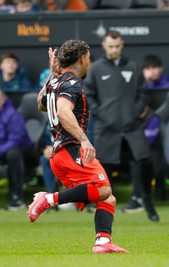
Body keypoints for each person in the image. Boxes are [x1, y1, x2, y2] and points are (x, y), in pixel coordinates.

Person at [28, 41, 128, 253]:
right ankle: (48, 198)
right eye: (89, 59)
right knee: (104, 189)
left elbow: (40, 104)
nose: (89, 64)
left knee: (107, 197)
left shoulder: (55, 81)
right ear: (82, 59)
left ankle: (102, 241)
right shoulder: (72, 83)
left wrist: (51, 77)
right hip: (71, 149)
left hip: (58, 154)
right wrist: (84, 139)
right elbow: (64, 112)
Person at [84, 30, 159, 222]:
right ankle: (104, 209)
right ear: (103, 46)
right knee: (104, 169)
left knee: (144, 162)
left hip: (132, 126)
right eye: (110, 46)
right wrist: (101, 114)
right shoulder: (96, 69)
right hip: (106, 128)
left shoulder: (133, 67)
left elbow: (143, 93)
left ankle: (147, 203)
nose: (114, 50)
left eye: (117, 46)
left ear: (122, 45)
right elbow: (88, 96)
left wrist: (135, 111)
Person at [0, 90, 33, 210]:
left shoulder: (12, 115)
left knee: (13, 154)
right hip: (3, 152)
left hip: (23, 152)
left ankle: (16, 197)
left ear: (1, 100)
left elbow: (16, 140)